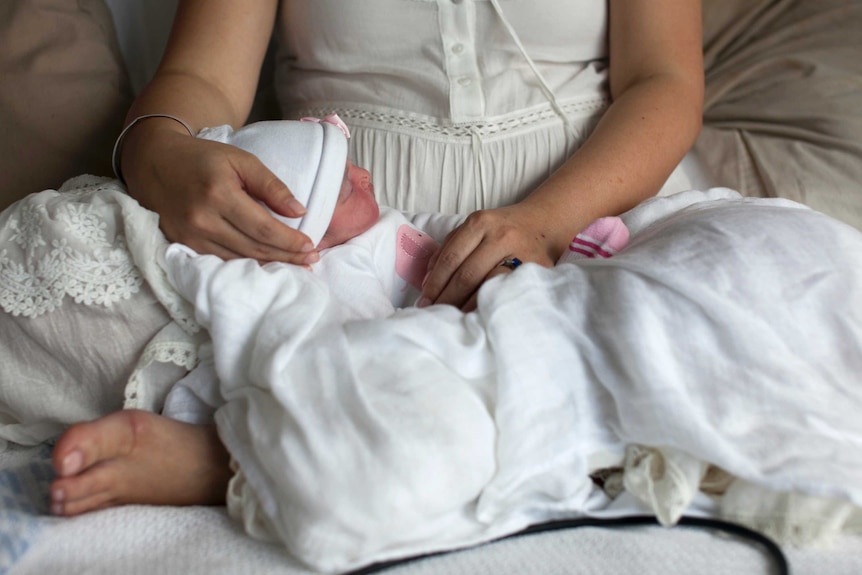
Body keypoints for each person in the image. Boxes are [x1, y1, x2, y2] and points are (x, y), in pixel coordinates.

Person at [50, 0, 704, 516]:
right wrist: (159, 152)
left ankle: (237, 457)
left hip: (592, 222)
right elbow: (200, 77)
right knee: (73, 273)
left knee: (706, 325)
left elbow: (665, 81)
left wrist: (546, 225)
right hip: (336, 257)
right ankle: (304, 440)